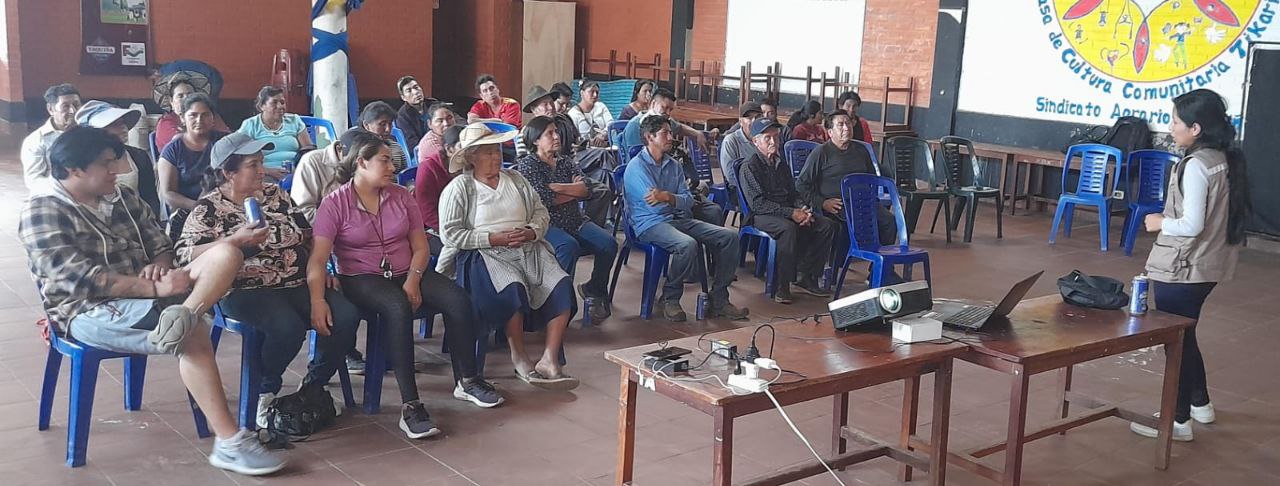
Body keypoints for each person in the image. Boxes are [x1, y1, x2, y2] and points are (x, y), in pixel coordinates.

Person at [19, 126, 285, 476]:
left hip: (157, 294)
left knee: (226, 253)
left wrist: (159, 270)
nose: (118, 171)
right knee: (193, 337)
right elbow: (79, 279)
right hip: (90, 310)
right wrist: (153, 289)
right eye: (107, 164)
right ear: (74, 170)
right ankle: (230, 444)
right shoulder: (42, 211)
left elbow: (162, 245)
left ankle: (184, 315)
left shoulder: (124, 199)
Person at [309, 136, 503, 440]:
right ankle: (411, 406)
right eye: (384, 160)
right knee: (397, 307)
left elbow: (421, 247)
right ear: (361, 163)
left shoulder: (401, 196)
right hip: (361, 277)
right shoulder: (336, 203)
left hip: (407, 270)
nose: (393, 166)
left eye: (392, 160)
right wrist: (318, 299)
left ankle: (468, 380)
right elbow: (318, 259)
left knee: (457, 299)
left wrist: (413, 279)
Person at [175, 133, 359, 429]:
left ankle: (313, 386)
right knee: (287, 327)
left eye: (261, 162)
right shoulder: (208, 210)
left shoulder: (277, 195)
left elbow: (308, 235)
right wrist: (232, 240)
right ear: (228, 173)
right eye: (253, 165)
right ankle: (266, 389)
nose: (262, 170)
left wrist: (321, 269)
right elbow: (184, 255)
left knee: (346, 315)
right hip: (244, 288)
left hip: (295, 280)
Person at [1129, 89, 1251, 443]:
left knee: (1176, 340)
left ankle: (1177, 420)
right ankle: (1200, 403)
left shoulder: (1197, 165)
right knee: (1187, 332)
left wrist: (1158, 223)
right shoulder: (1223, 158)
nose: (1171, 129)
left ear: (1195, 128)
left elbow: (1191, 224)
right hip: (1208, 264)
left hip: (1184, 267)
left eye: (1176, 122)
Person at [437, 122, 580, 390]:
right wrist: (492, 238)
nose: (495, 157)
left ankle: (549, 359)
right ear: (471, 157)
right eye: (487, 152)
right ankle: (519, 356)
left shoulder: (516, 180)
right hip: (484, 254)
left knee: (560, 284)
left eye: (497, 151)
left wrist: (530, 232)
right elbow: (451, 234)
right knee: (511, 288)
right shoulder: (459, 189)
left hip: (528, 247)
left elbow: (541, 212)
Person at [624, 115, 748, 321]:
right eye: (665, 133)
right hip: (649, 224)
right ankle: (670, 298)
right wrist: (672, 199)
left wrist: (668, 197)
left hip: (676, 219)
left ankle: (719, 299)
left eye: (671, 132)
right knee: (687, 244)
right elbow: (651, 203)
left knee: (730, 237)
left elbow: (687, 200)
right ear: (649, 137)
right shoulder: (637, 167)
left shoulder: (673, 165)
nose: (671, 137)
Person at [517, 116, 618, 321]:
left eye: (556, 131)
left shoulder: (565, 162)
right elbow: (544, 201)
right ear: (536, 140)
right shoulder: (528, 165)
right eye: (550, 133)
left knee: (609, 243)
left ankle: (594, 289)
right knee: (568, 247)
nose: (556, 137)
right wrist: (572, 191)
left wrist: (558, 188)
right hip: (546, 223)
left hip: (575, 219)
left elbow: (587, 190)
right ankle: (557, 302)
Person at [737, 119, 835, 303]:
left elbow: (793, 192)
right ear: (755, 142)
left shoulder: (781, 164)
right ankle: (782, 286)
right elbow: (758, 205)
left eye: (776, 137)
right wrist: (791, 213)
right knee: (787, 229)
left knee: (825, 225)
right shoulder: (749, 167)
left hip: (787, 210)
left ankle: (807, 276)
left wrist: (802, 209)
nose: (774, 142)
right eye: (768, 138)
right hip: (761, 216)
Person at [75, 100, 160, 214]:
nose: (124, 128)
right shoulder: (83, 163)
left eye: (123, 122)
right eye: (115, 124)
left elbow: (150, 197)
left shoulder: (139, 156)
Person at [291, 128, 377, 222]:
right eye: (357, 160)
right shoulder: (311, 162)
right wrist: (347, 225)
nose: (361, 165)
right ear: (339, 149)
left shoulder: (369, 163)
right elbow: (304, 212)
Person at [237, 86, 314, 180]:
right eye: (274, 102)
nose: (280, 106)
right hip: (264, 173)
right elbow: (241, 157)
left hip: (296, 170)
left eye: (282, 102)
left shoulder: (294, 120)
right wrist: (268, 171)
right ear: (262, 106)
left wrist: (300, 168)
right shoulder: (251, 125)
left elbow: (308, 150)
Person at [22, 83, 82, 193]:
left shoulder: (89, 134)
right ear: (50, 109)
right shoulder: (36, 141)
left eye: (76, 105)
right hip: (55, 197)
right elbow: (34, 180)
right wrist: (66, 189)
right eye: (65, 106)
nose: (73, 111)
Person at [415, 125, 466, 254]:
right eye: (463, 147)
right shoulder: (428, 168)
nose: (468, 152)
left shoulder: (472, 165)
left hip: (465, 224)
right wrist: (454, 232)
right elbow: (427, 213)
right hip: (433, 228)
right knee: (462, 253)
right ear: (449, 149)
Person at [621, 87, 707, 152]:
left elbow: (679, 128)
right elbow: (634, 156)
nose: (668, 113)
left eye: (671, 110)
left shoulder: (665, 122)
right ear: (653, 104)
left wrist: (697, 133)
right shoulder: (635, 126)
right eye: (664, 108)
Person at [154, 74, 230, 147]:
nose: (186, 99)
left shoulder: (211, 116)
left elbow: (227, 139)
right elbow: (182, 144)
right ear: (171, 102)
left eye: (190, 95)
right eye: (180, 96)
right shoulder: (166, 122)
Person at [718, 101, 763, 193]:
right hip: (740, 190)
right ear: (740, 122)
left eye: (758, 117)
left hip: (765, 187)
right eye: (749, 118)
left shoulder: (765, 139)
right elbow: (731, 177)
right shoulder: (731, 141)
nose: (754, 121)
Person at [357, 101, 410, 172]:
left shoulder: (396, 147)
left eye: (390, 124)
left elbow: (405, 176)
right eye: (382, 124)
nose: (388, 129)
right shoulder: (359, 150)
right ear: (366, 125)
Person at [394, 76, 437, 149]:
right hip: (420, 151)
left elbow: (456, 119)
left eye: (416, 87)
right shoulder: (402, 116)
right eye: (409, 91)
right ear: (403, 97)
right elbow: (412, 144)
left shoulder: (434, 104)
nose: (416, 92)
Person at [568, 80, 614, 147]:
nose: (595, 95)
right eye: (591, 92)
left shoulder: (601, 106)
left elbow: (611, 123)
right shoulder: (573, 114)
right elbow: (573, 139)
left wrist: (603, 134)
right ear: (582, 93)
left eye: (597, 92)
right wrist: (589, 142)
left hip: (604, 146)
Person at [415, 101, 456, 167]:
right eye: (440, 121)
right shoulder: (431, 144)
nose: (446, 124)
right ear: (430, 124)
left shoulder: (455, 134)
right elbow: (454, 163)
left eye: (449, 118)